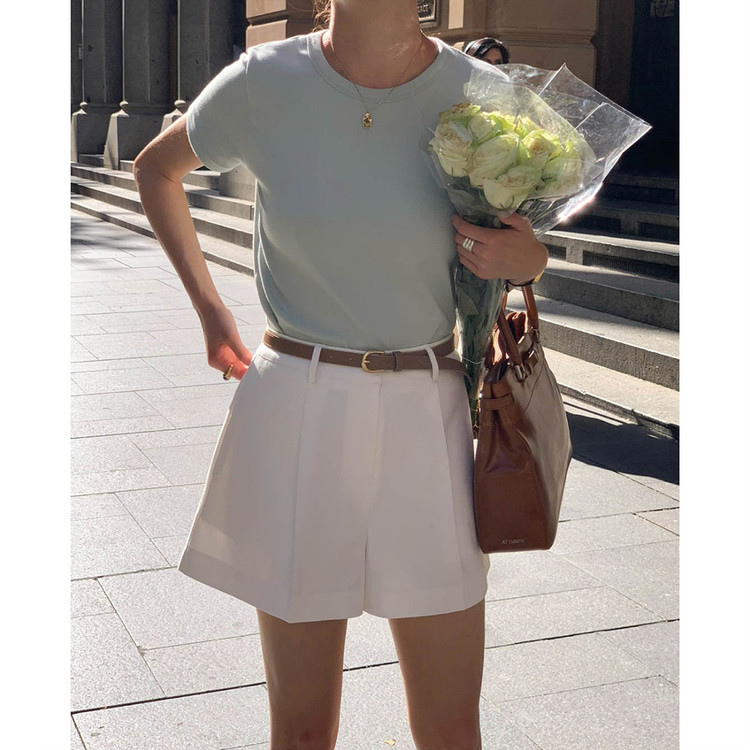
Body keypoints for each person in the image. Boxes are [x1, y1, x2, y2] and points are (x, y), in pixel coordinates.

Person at [132, 0, 548, 748]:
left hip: (427, 408)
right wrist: (211, 311)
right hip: (298, 401)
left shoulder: (480, 93)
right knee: (301, 731)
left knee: (453, 729)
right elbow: (157, 168)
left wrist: (531, 261)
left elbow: (521, 242)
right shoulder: (266, 78)